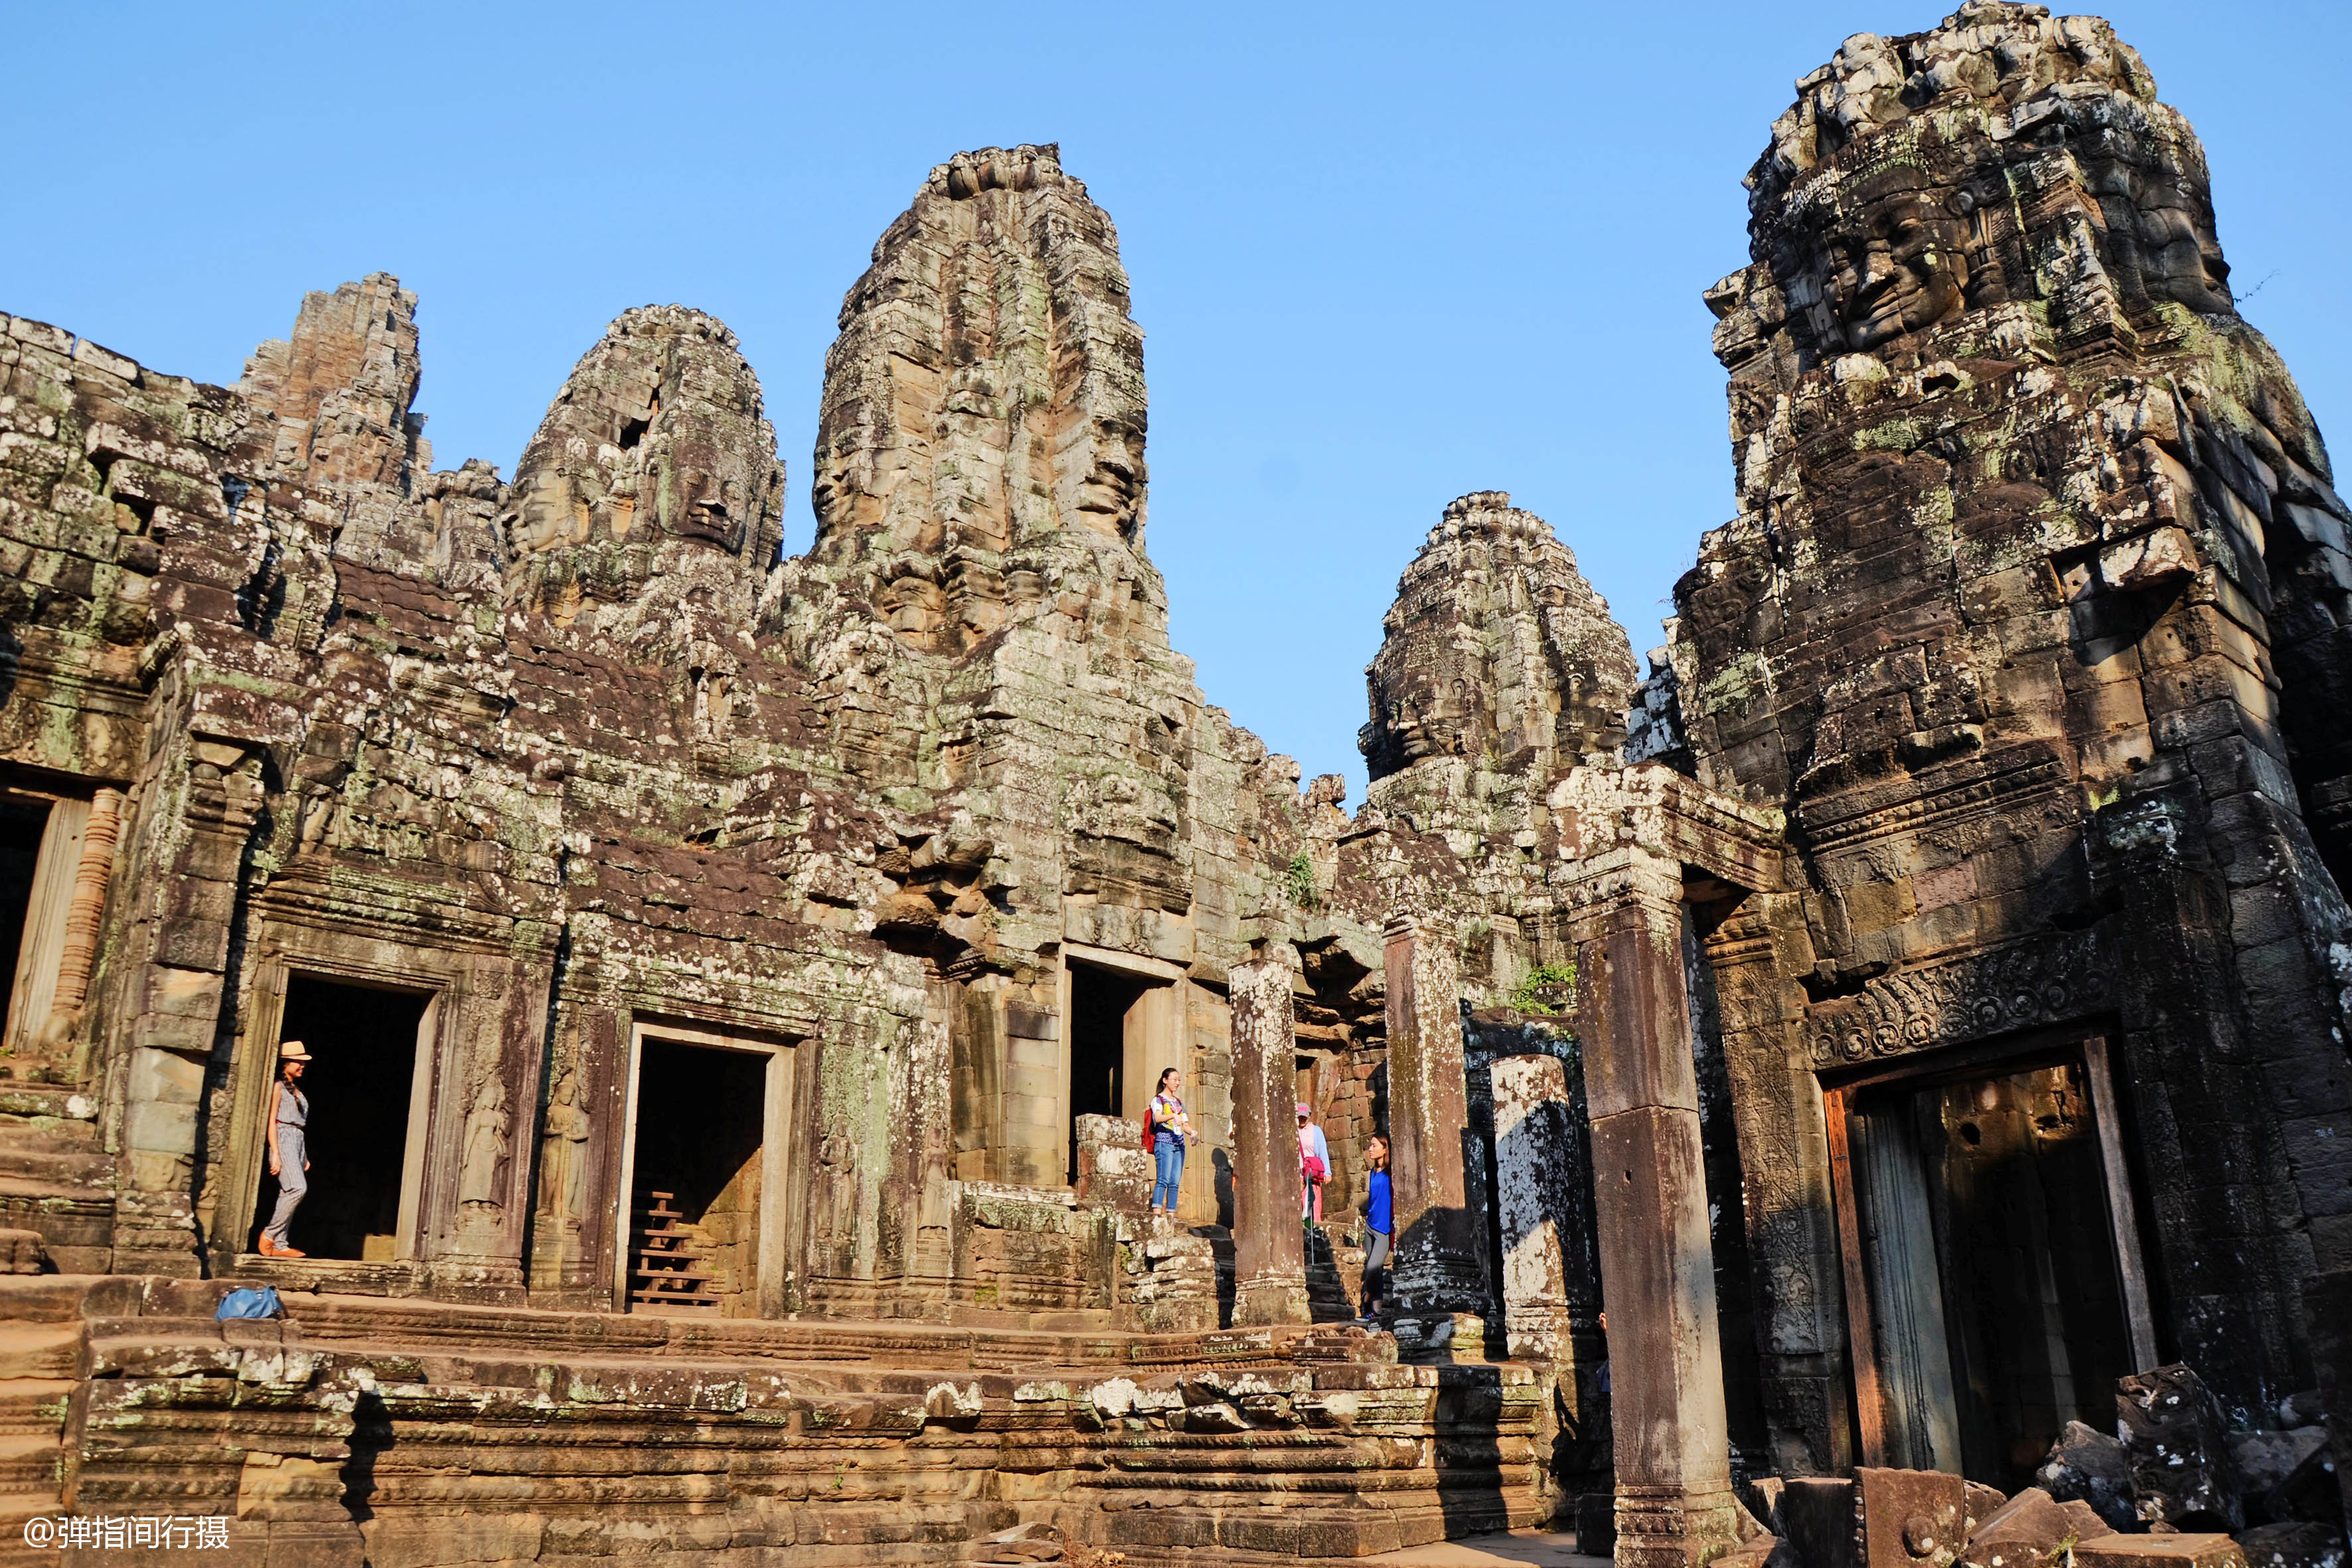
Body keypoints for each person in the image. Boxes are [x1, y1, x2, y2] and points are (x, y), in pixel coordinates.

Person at [260, 1040, 313, 1258]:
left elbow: (298, 1123)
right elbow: (273, 1121)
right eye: (298, 1062)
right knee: (298, 1189)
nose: (302, 1065)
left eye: (303, 1062)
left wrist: (305, 1155)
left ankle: (280, 1245)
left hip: (297, 1140)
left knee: (288, 1193)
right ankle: (270, 1234)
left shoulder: (297, 1090)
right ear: (285, 1063)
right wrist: (275, 1152)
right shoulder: (277, 1087)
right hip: (283, 1139)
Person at [1145, 1067, 1196, 1215]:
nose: (1177, 1083)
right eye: (1174, 1079)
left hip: (1179, 1144)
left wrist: (1192, 1132)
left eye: (1179, 1080)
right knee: (1163, 1179)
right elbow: (1158, 1118)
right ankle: (1157, 1212)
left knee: (1175, 1182)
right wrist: (1173, 1116)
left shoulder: (1179, 1102)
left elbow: (1184, 1124)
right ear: (1165, 1080)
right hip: (1164, 1143)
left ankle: (1171, 1214)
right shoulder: (1158, 1099)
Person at [1358, 1133, 1391, 1324]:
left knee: (1372, 1268)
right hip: (1370, 1226)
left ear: (1385, 1149)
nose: (1370, 1149)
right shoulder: (1372, 1173)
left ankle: (1367, 1297)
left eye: (1374, 1146)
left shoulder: (1390, 1172)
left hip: (1384, 1229)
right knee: (1374, 1271)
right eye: (1370, 1146)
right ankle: (1376, 1311)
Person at [1297, 1103, 1329, 1225]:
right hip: (1298, 1174)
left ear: (1309, 1116)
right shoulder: (1292, 1131)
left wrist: (1327, 1172)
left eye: (1304, 1117)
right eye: (1299, 1117)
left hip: (1312, 1174)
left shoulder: (1316, 1131)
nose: (1302, 1119)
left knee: (1314, 1206)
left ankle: (1315, 1234)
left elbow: (1322, 1151)